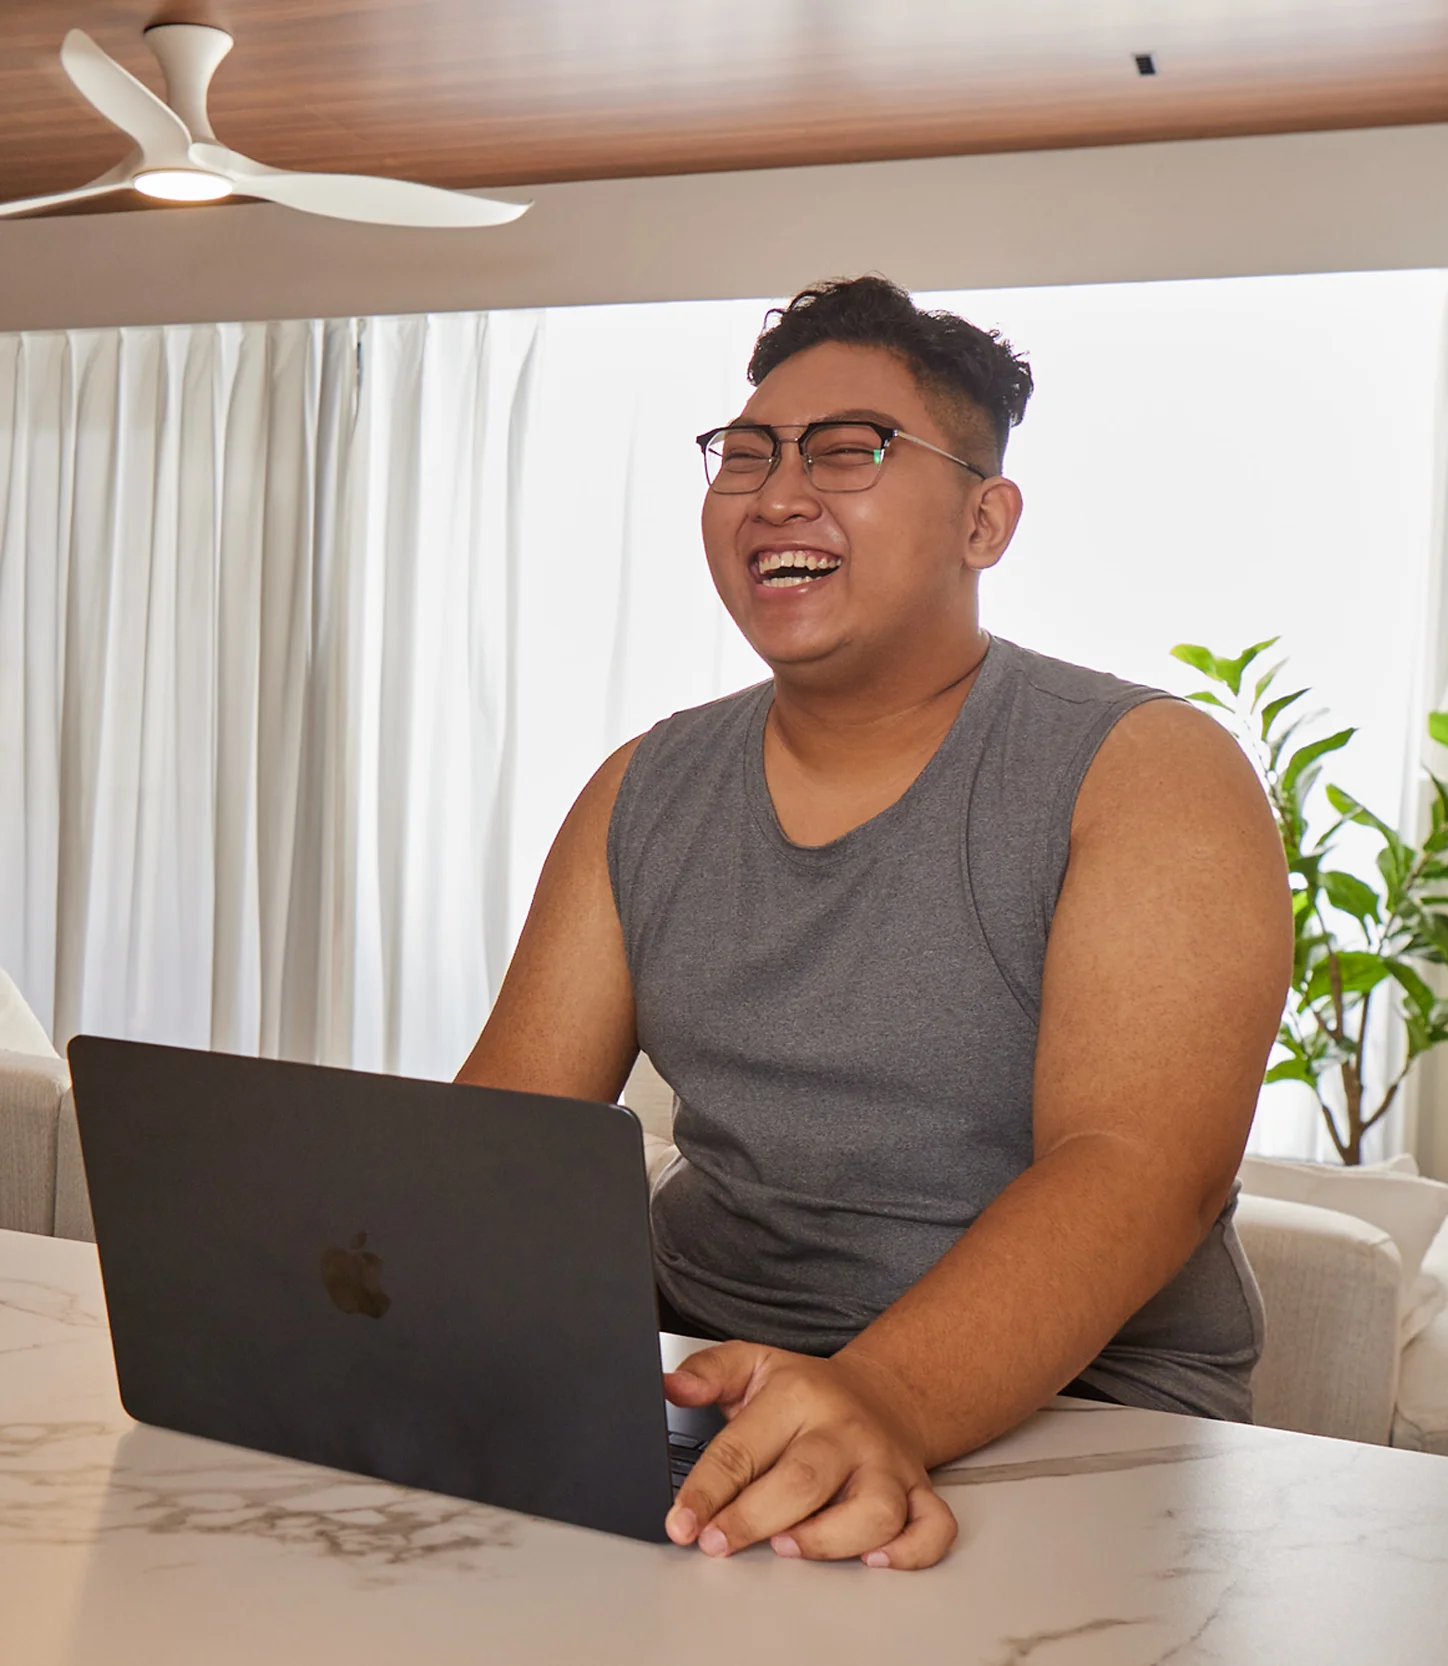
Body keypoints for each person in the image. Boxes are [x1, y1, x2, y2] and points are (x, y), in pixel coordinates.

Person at [457, 276, 1292, 1571]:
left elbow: (1137, 1162)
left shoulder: (1151, 769)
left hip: (1077, 1423)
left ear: (984, 517)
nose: (777, 492)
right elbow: (505, 1139)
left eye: (850, 450)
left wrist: (883, 1397)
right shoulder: (641, 787)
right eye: (745, 452)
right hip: (698, 1388)